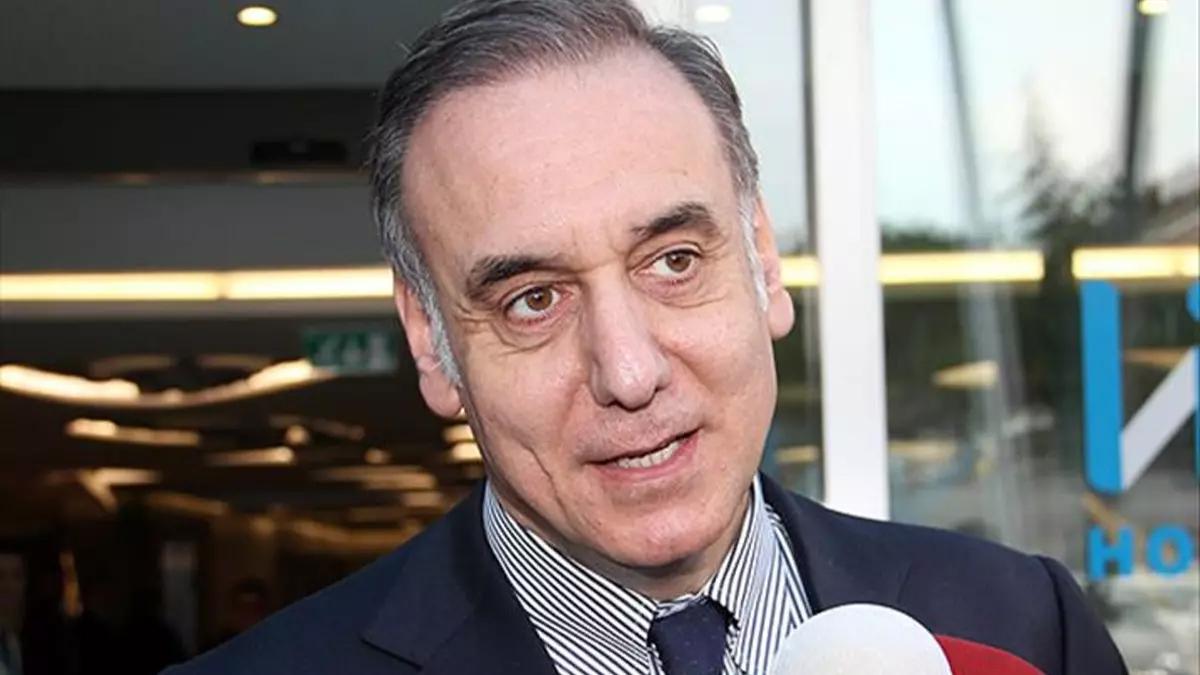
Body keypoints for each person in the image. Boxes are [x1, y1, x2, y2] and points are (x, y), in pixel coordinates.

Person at [167, 1, 1127, 673]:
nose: (629, 372)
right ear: (432, 342)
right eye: (533, 300)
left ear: (763, 261)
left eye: (673, 260)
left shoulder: (1025, 626)